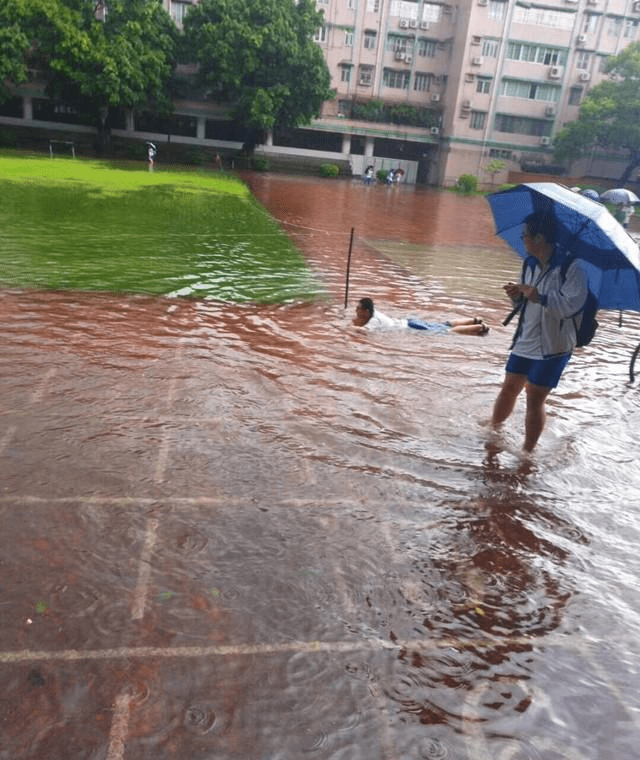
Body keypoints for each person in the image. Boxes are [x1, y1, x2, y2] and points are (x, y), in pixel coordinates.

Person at [491, 211, 588, 453]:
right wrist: (517, 297)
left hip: (553, 345)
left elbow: (572, 306)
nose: (523, 239)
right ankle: (493, 430)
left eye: (525, 235)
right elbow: (525, 303)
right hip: (526, 338)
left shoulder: (572, 267)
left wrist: (539, 296)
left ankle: (527, 452)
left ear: (540, 237)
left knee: (535, 398)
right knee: (509, 386)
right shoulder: (529, 264)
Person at [352, 297, 489, 335]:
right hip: (411, 322)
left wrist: (345, 327)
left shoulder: (374, 321)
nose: (355, 310)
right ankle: (474, 320)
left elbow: (362, 330)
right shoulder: (375, 313)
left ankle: (479, 326)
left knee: (446, 331)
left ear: (366, 311)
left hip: (412, 327)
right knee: (444, 324)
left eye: (358, 308)